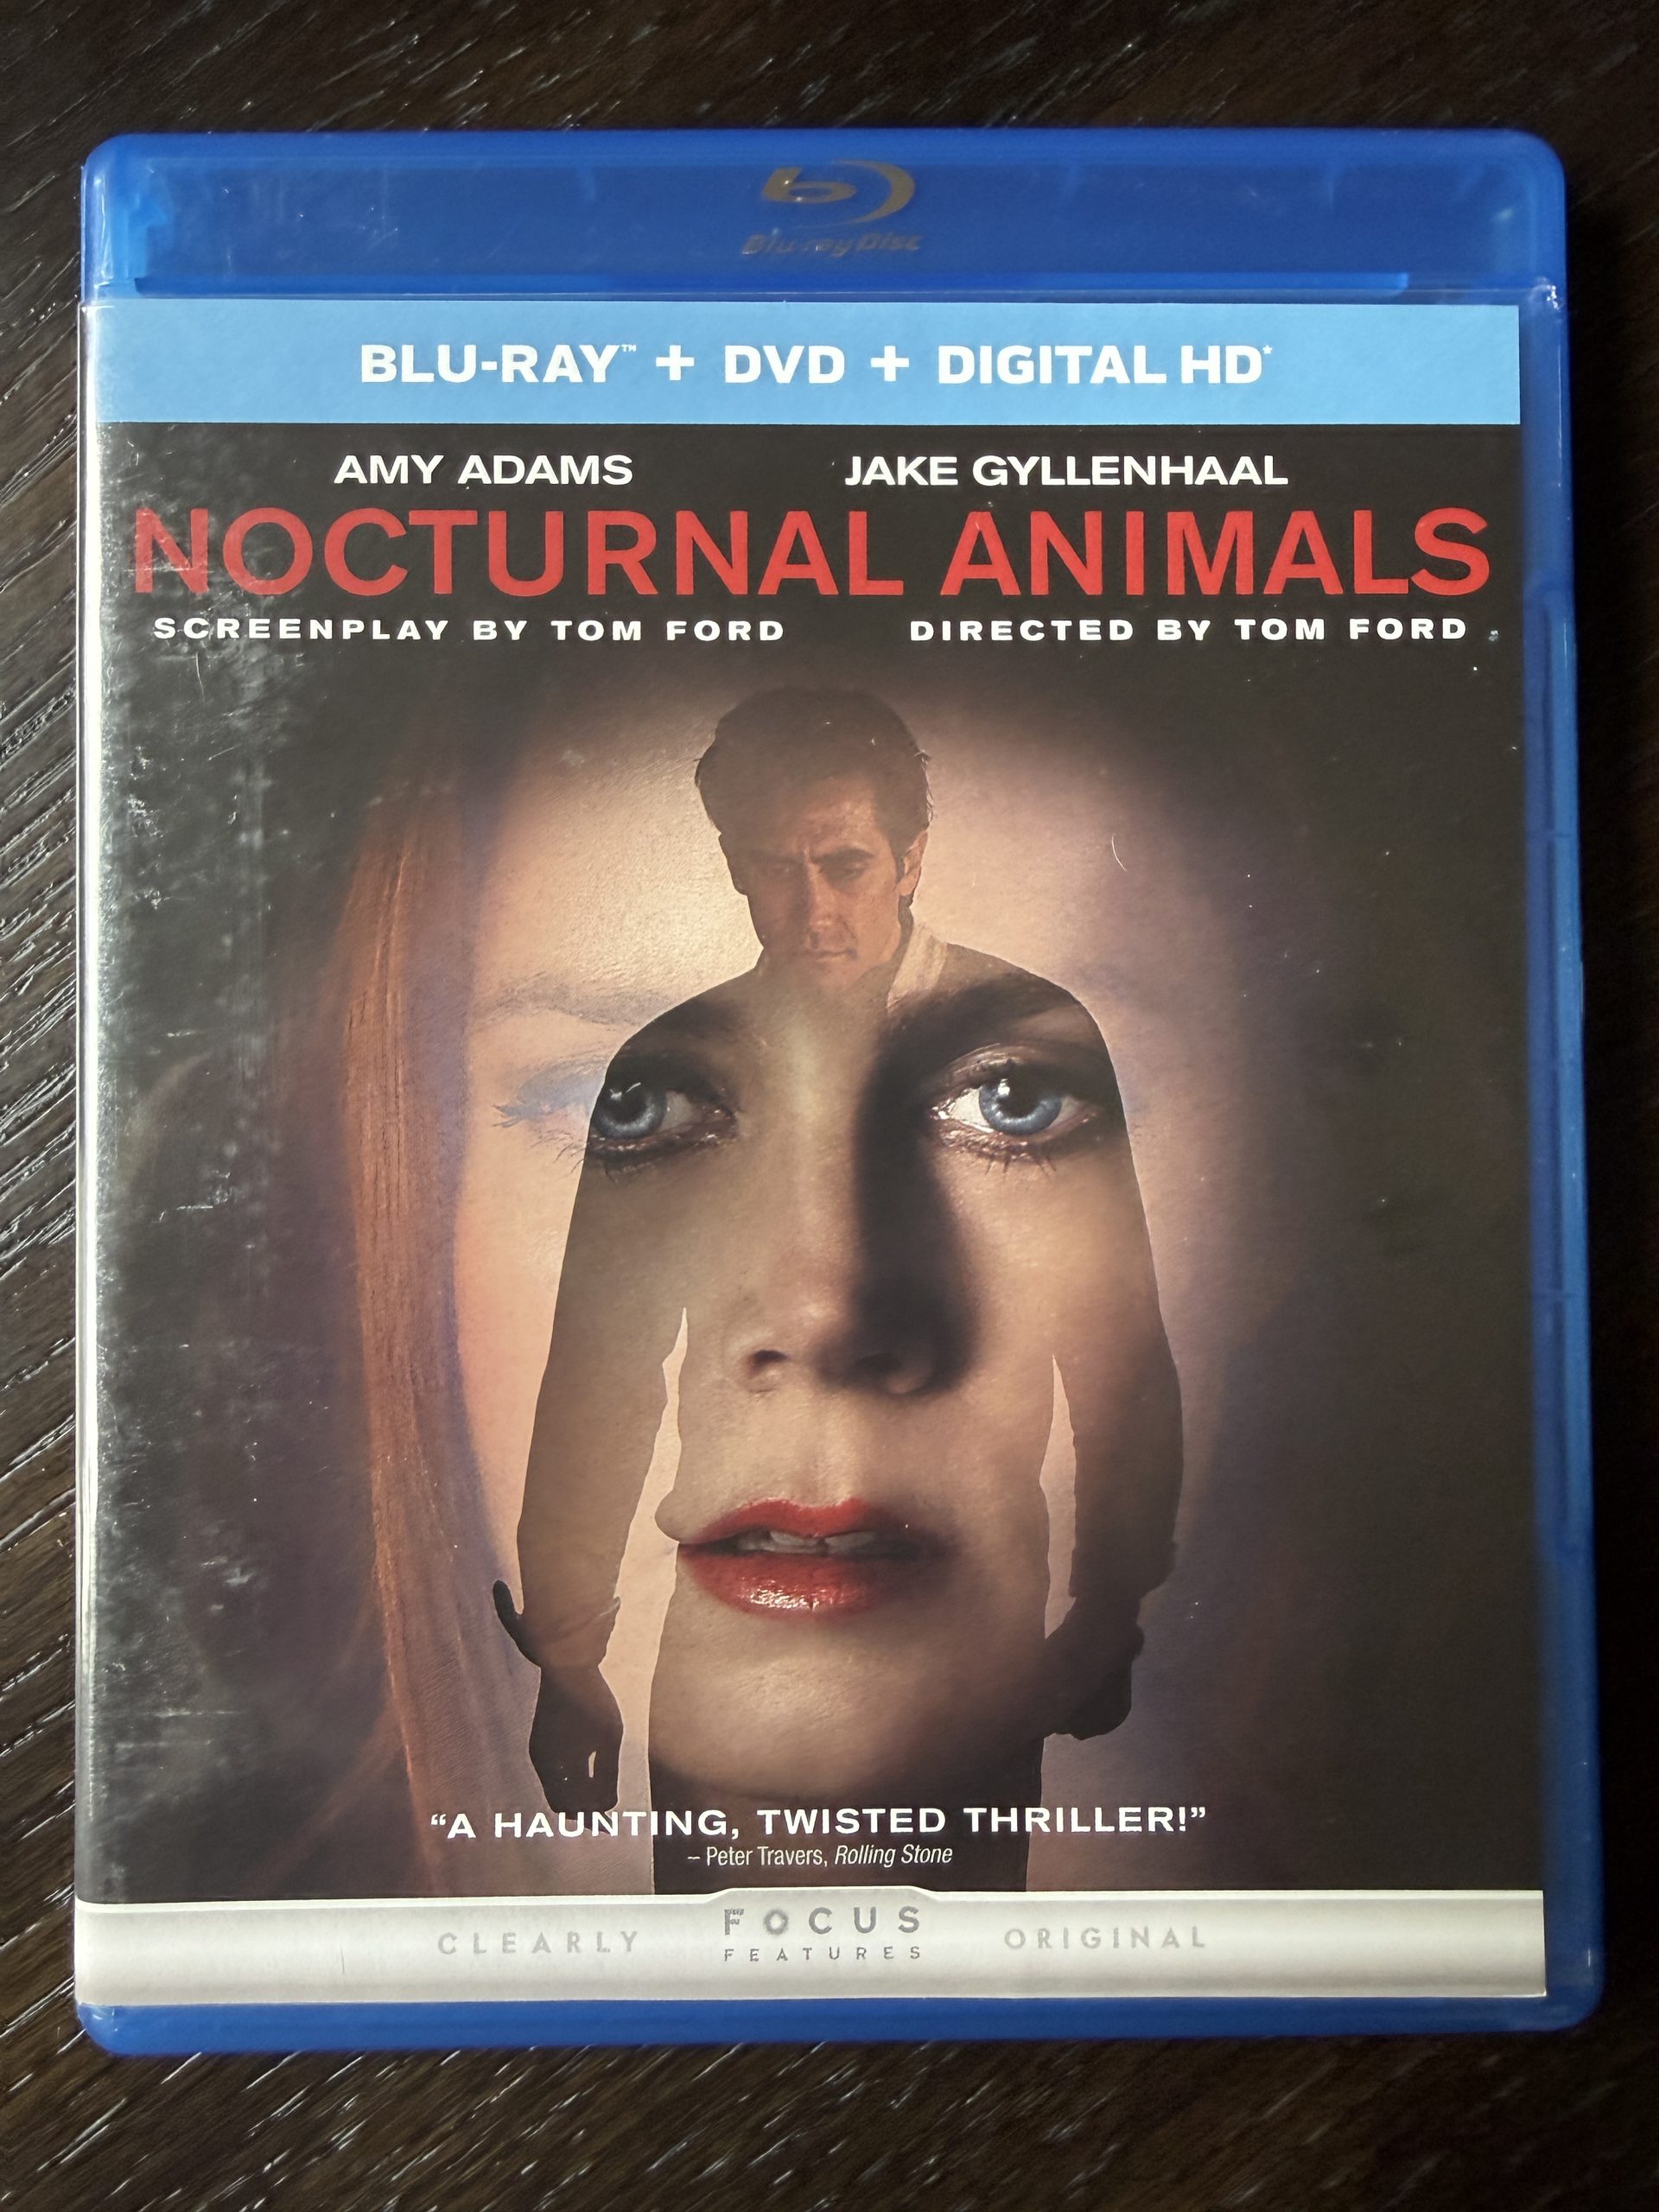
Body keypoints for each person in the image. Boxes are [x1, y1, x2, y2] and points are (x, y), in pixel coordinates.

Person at [493, 689, 1183, 1889]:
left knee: (969, 1961)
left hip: (958, 1598)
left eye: (845, 864)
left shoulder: (1027, 1042)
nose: (813, 908)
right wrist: (567, 1655)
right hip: (737, 1595)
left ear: (910, 857)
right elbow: (600, 1367)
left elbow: (1115, 1339)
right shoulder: (671, 1064)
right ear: (731, 863)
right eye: (774, 867)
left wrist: (1109, 1607)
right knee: (711, 1959)